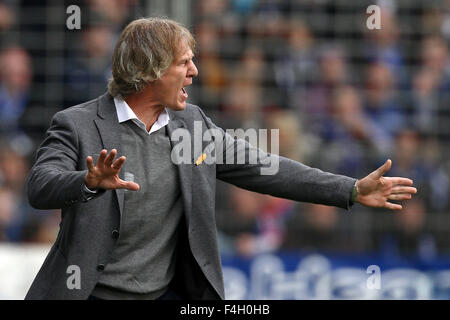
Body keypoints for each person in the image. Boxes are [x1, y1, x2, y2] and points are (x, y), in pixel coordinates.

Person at [25, 17, 417, 300]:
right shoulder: (76, 124)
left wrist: (349, 189)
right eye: (184, 62)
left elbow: (267, 167)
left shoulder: (191, 126)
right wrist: (87, 182)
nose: (194, 71)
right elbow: (41, 186)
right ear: (149, 70)